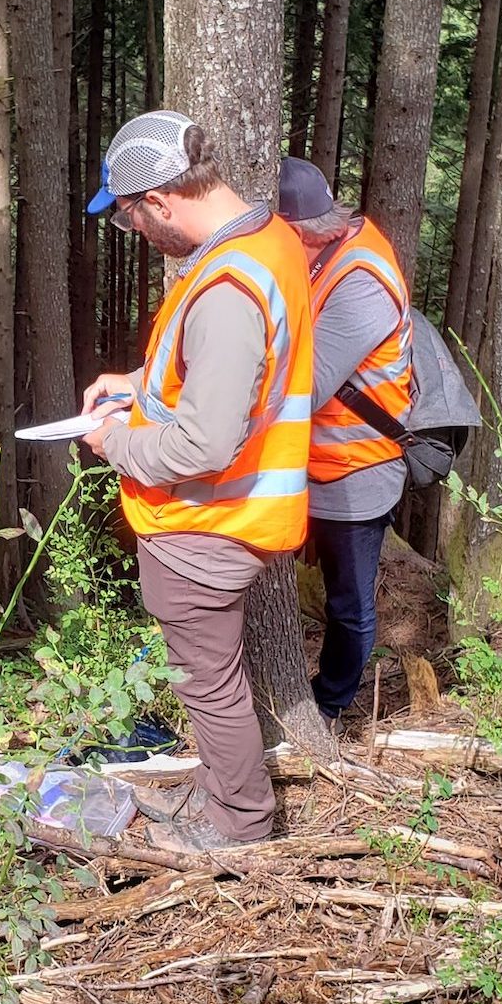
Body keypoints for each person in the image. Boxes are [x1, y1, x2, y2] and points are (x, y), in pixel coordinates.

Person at [77, 110, 315, 853]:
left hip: (208, 522)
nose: (138, 234)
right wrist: (140, 382)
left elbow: (207, 438)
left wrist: (114, 441)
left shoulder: (225, 287)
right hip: (231, 514)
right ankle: (226, 801)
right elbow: (218, 371)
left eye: (131, 219)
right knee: (211, 682)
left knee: (210, 687)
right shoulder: (262, 239)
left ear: (160, 201)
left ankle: (239, 827)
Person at [277, 157, 412, 731]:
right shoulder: (323, 256)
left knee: (348, 603)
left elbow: (303, 389)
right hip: (309, 463)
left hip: (356, 468)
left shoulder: (361, 282)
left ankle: (331, 704)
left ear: (300, 232)